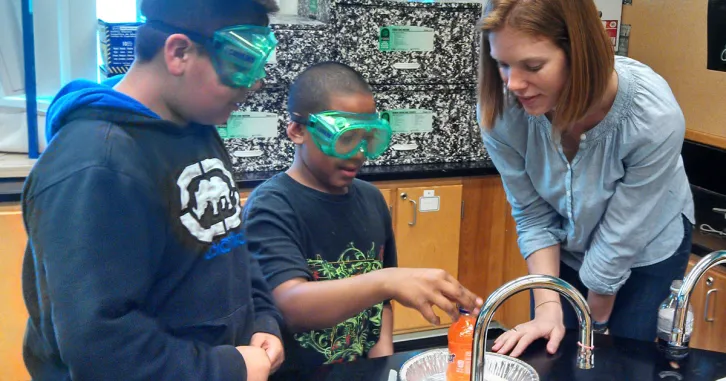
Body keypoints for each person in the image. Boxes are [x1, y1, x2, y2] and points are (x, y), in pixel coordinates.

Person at [21, 0, 285, 379]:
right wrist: (227, 369)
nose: (255, 83)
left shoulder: (195, 126)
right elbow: (102, 346)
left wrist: (263, 317)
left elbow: (230, 242)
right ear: (179, 52)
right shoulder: (95, 166)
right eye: (241, 65)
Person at [477, 0, 695, 357]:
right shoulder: (501, 112)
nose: (514, 83)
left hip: (646, 247)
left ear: (579, 52)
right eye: (502, 64)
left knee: (622, 359)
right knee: (552, 348)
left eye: (533, 65)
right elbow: (533, 216)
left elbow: (622, 235)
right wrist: (549, 308)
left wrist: (595, 323)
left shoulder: (653, 115)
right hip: (566, 245)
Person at [242, 62, 484, 371]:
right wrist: (386, 281)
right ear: (297, 130)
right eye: (345, 138)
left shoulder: (371, 199)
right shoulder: (272, 205)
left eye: (367, 139)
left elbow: (381, 304)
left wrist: (383, 364)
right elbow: (287, 305)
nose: (358, 153)